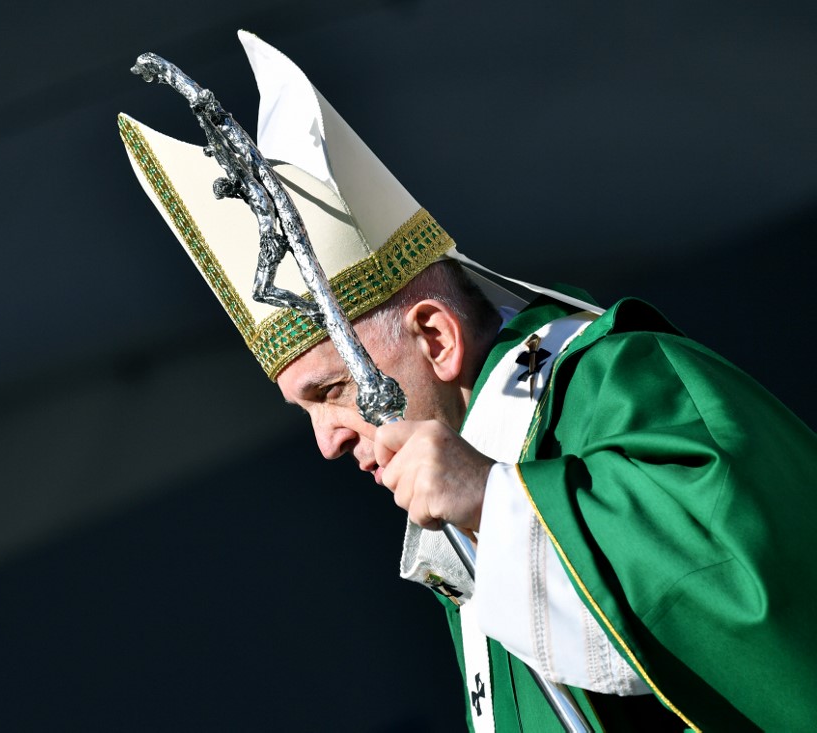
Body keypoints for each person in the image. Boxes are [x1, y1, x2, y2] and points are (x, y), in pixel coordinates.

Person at [119, 31, 817, 732]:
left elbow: (754, 586)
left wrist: (494, 498)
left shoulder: (623, 381)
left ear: (435, 337)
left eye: (330, 391)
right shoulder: (464, 523)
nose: (327, 441)